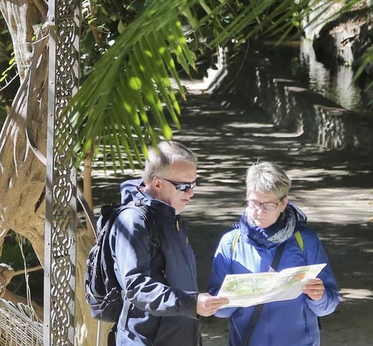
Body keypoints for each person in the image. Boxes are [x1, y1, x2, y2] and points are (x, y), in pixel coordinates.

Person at [209, 161, 341, 346]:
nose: (259, 212)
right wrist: (224, 300)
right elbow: (219, 310)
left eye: (268, 205)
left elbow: (330, 303)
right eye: (254, 202)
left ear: (283, 203)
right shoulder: (231, 243)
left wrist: (318, 297)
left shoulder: (305, 240)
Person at [110, 140, 227, 346]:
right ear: (157, 184)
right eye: (183, 186)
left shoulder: (169, 214)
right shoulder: (133, 220)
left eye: (193, 185)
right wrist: (192, 304)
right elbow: (136, 287)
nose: (191, 193)